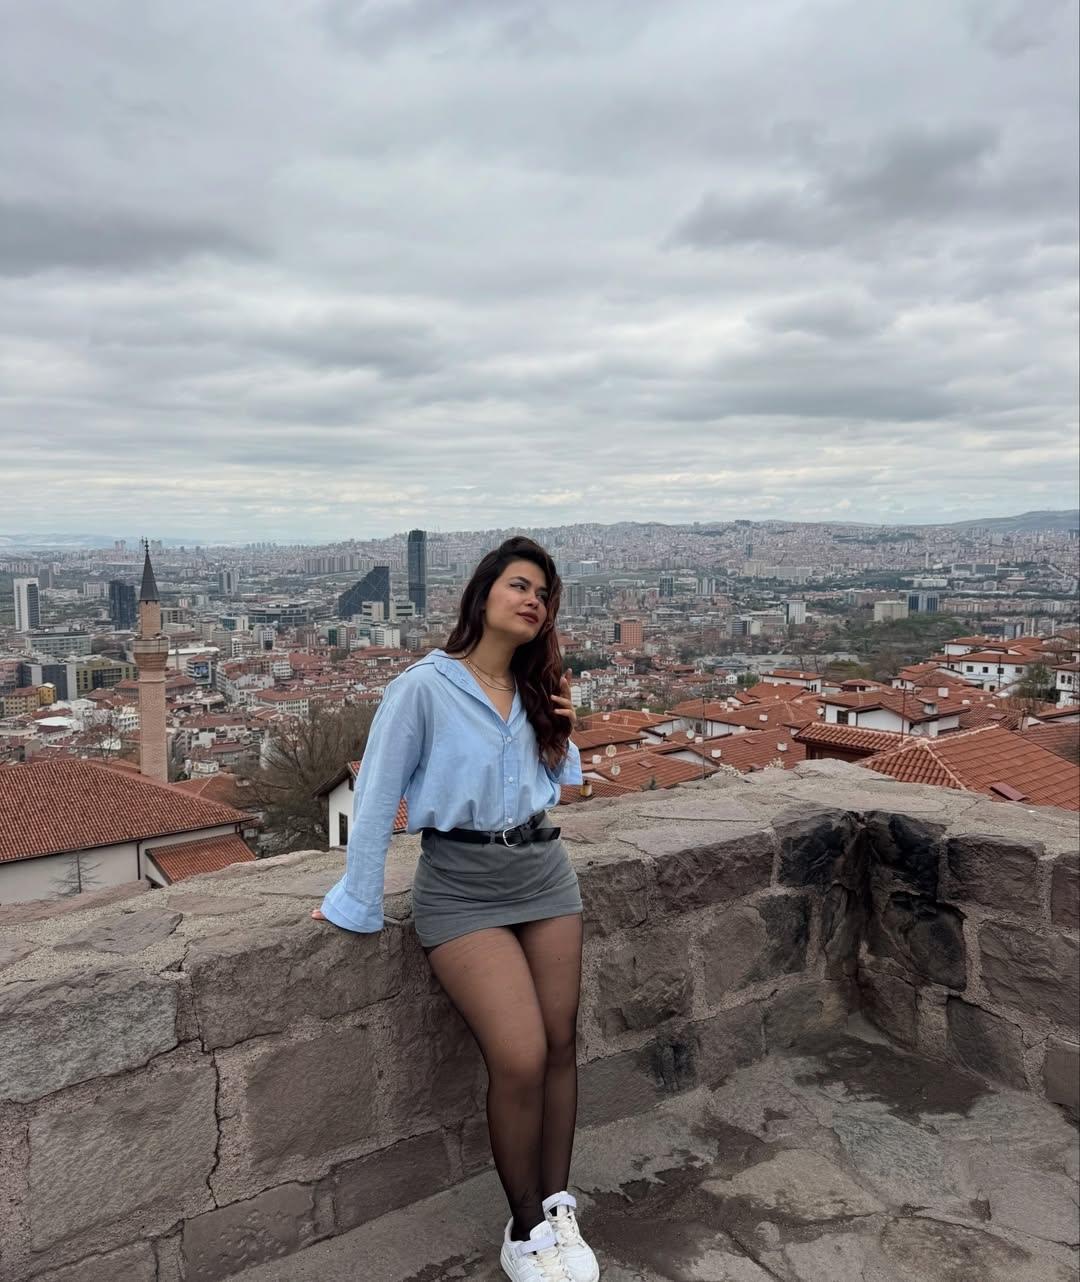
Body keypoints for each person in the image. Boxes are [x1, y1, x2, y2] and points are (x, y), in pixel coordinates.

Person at [313, 536, 600, 1282]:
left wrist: (561, 729)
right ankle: (525, 1229)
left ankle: (559, 1208)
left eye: (544, 593)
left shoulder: (537, 685)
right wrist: (356, 900)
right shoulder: (423, 688)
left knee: (561, 1044)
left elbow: (556, 783)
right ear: (482, 594)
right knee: (520, 1054)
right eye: (520, 584)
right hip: (460, 886)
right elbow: (376, 797)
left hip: (543, 871)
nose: (533, 600)